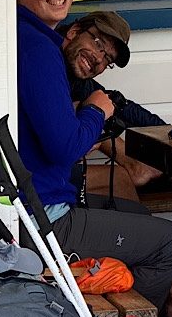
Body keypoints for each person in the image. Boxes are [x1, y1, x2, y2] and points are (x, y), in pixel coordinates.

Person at [15, 0, 172, 317]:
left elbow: (127, 116)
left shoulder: (33, 40)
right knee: (171, 241)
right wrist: (95, 113)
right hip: (44, 218)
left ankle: (154, 306)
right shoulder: (37, 49)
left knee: (134, 214)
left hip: (38, 204)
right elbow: (63, 146)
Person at [58, 11, 165, 193]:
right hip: (31, 180)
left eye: (108, 59)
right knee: (119, 179)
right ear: (74, 31)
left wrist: (168, 133)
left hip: (51, 169)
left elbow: (117, 103)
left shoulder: (75, 73)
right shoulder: (45, 60)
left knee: (98, 107)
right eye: (98, 43)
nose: (99, 58)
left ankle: (139, 168)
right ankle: (136, 169)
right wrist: (92, 132)